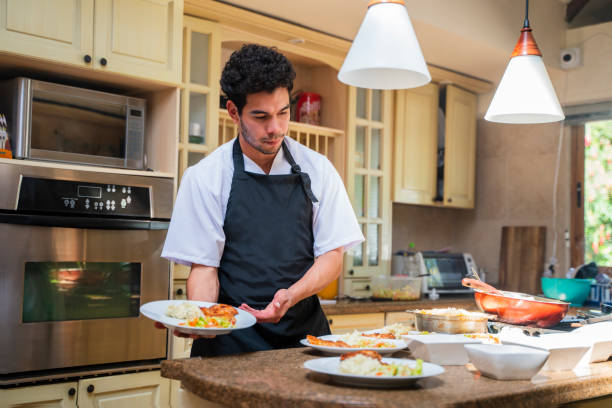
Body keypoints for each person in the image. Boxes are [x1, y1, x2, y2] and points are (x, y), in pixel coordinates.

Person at [161, 44, 364, 357]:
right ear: (233, 112)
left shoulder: (318, 169)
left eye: (283, 113)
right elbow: (204, 268)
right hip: (231, 343)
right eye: (261, 116)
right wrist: (201, 318)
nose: (275, 128)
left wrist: (290, 295)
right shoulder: (206, 176)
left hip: (304, 343)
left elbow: (332, 256)